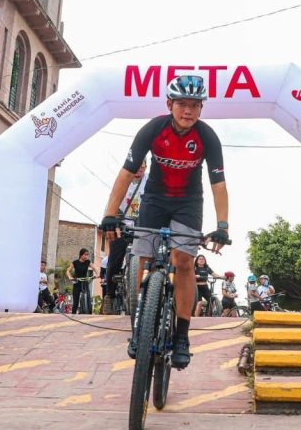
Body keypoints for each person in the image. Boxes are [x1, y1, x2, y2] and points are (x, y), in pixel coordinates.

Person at [98, 74, 230, 370]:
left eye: (194, 105)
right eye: (182, 104)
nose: (188, 111)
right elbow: (126, 173)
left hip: (188, 202)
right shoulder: (153, 129)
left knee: (183, 260)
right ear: (169, 105)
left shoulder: (207, 137)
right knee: (141, 256)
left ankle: (182, 336)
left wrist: (222, 226)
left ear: (201, 108)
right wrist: (110, 214)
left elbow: (218, 184)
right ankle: (139, 321)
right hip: (155, 199)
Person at [102, 161, 148, 314]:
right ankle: (109, 296)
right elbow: (111, 202)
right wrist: (110, 221)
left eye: (143, 166)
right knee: (114, 260)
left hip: (142, 226)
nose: (140, 169)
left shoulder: (150, 180)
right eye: (138, 165)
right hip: (121, 226)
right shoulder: (123, 179)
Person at [66, 248, 94, 314]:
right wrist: (70, 277)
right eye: (85, 254)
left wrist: (97, 274)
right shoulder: (75, 262)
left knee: (87, 298)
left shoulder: (88, 262)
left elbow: (95, 268)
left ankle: (88, 313)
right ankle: (73, 314)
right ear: (81, 255)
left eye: (87, 255)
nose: (87, 256)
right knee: (76, 300)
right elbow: (68, 271)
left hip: (85, 282)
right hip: (77, 282)